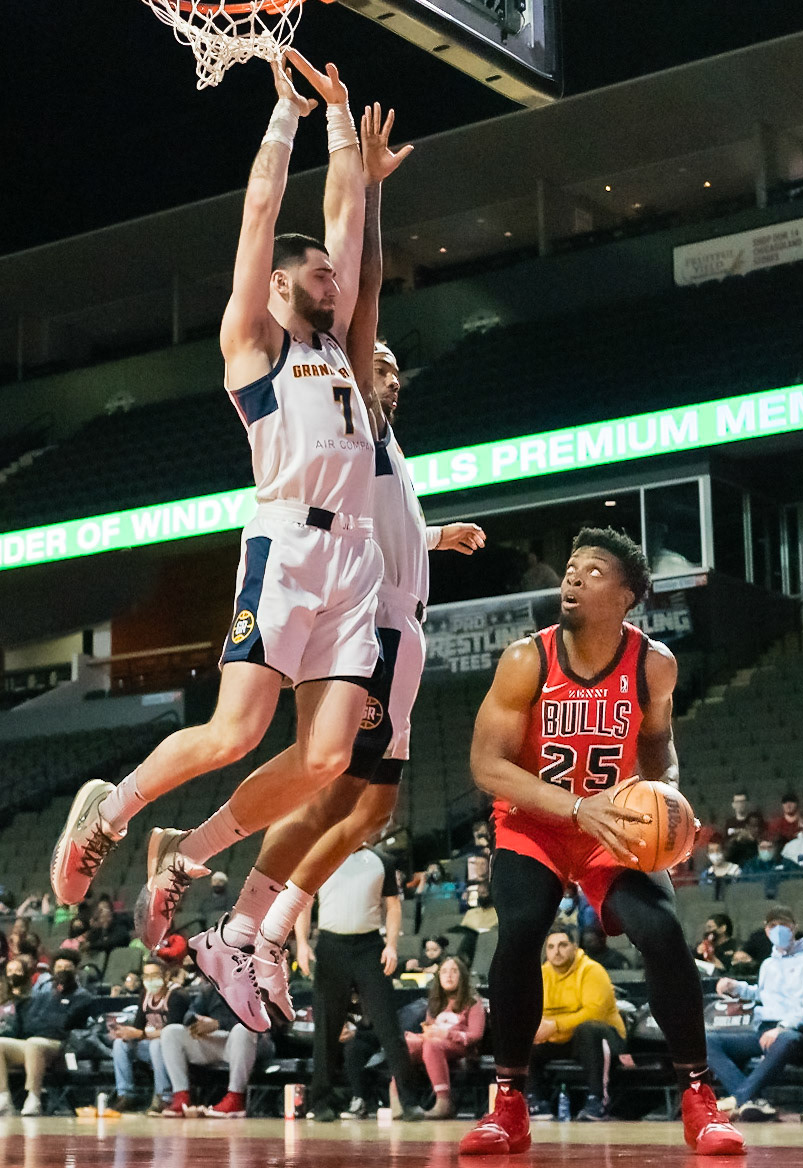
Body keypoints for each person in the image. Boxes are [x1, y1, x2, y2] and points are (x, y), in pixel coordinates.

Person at [52, 52, 381, 957]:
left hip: (356, 560)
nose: (331, 281)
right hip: (288, 539)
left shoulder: (341, 341)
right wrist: (283, 120)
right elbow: (261, 217)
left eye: (329, 275)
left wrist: (342, 119)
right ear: (281, 286)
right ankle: (110, 812)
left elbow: (348, 218)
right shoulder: (254, 342)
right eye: (316, 275)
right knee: (237, 731)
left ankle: (187, 858)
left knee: (325, 759)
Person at [187, 98, 483, 1028]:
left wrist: (436, 542)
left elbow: (388, 526)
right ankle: (251, 926)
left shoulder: (378, 443)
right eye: (374, 360)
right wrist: (349, 167)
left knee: (367, 813)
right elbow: (364, 280)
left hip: (394, 615)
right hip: (369, 616)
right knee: (338, 794)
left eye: (391, 366)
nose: (381, 369)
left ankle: (258, 926)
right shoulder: (343, 410)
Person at [457, 526, 744, 1156]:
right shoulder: (526, 659)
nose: (572, 577)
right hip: (535, 821)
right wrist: (575, 807)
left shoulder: (654, 664)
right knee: (524, 926)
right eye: (570, 568)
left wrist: (668, 795)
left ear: (628, 595)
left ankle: (700, 1100)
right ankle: (509, 1103)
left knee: (663, 930)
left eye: (591, 570)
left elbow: (658, 744)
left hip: (611, 826)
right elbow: (486, 764)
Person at [294, 843, 424, 1122]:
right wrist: (302, 944)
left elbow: (392, 906)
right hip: (331, 947)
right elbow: (304, 902)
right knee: (326, 1030)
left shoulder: (382, 860)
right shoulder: (320, 854)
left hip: (369, 947)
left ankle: (409, 1101)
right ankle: (320, 1103)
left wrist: (391, 945)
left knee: (389, 1026)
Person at [708, 905, 803, 1121]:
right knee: (708, 1041)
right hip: (764, 1031)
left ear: (795, 928)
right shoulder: (768, 964)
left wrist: (782, 1028)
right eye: (773, 925)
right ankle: (754, 1101)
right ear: (766, 931)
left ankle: (739, 1098)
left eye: (784, 925)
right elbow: (763, 994)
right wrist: (736, 987)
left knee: (786, 1040)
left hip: (798, 1034)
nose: (779, 929)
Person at [528, 925, 627, 1121]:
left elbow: (594, 1013)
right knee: (526, 1034)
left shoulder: (592, 971)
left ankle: (597, 1100)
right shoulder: (541, 974)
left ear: (575, 947)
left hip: (605, 1038)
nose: (556, 951)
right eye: (551, 947)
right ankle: (535, 1100)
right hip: (563, 1040)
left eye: (563, 945)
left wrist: (555, 1025)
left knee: (587, 1029)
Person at [159, 981, 272, 1118]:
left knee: (242, 1029)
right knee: (171, 1032)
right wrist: (196, 1021)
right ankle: (181, 1096)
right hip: (221, 1043)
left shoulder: (255, 987)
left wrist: (218, 1024)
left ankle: (236, 1098)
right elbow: (190, 1014)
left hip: (254, 1043)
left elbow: (258, 1019)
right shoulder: (211, 989)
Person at [0, 957, 93, 1116]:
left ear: (75, 970)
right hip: (34, 1042)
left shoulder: (82, 996)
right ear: (52, 971)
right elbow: (29, 1023)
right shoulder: (43, 994)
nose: (62, 971)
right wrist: (46, 1023)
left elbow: (64, 1024)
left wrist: (44, 1024)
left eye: (67, 967)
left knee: (34, 1043)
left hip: (62, 1045)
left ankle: (34, 1097)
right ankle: (4, 1096)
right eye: (59, 967)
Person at [405, 956, 485, 1118]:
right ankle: (400, 1100)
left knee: (432, 1044)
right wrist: (426, 1034)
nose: (448, 976)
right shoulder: (435, 1002)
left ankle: (443, 1102)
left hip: (461, 1047)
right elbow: (430, 1028)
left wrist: (447, 1034)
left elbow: (476, 1035)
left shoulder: (473, 1002)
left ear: (462, 976)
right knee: (404, 1044)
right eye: (444, 972)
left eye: (454, 971)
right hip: (434, 1044)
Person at [110, 958, 185, 1113]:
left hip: (174, 1049)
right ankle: (125, 1094)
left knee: (157, 1044)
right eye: (146, 976)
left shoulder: (177, 995)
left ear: (166, 975)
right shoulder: (145, 995)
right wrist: (125, 1032)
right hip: (150, 1044)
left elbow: (173, 1030)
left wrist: (141, 1033)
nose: (150, 980)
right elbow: (138, 1026)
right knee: (120, 1044)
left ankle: (163, 1097)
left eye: (154, 975)